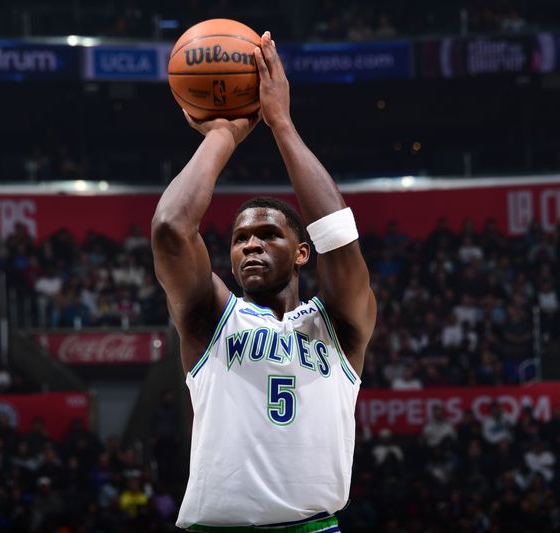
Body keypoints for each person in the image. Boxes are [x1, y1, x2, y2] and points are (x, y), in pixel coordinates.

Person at [152, 31, 376, 531]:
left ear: (301, 253)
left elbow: (339, 238)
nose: (250, 244)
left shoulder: (337, 325)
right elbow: (170, 228)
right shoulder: (211, 316)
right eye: (239, 238)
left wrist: (281, 124)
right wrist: (222, 135)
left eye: (267, 234)